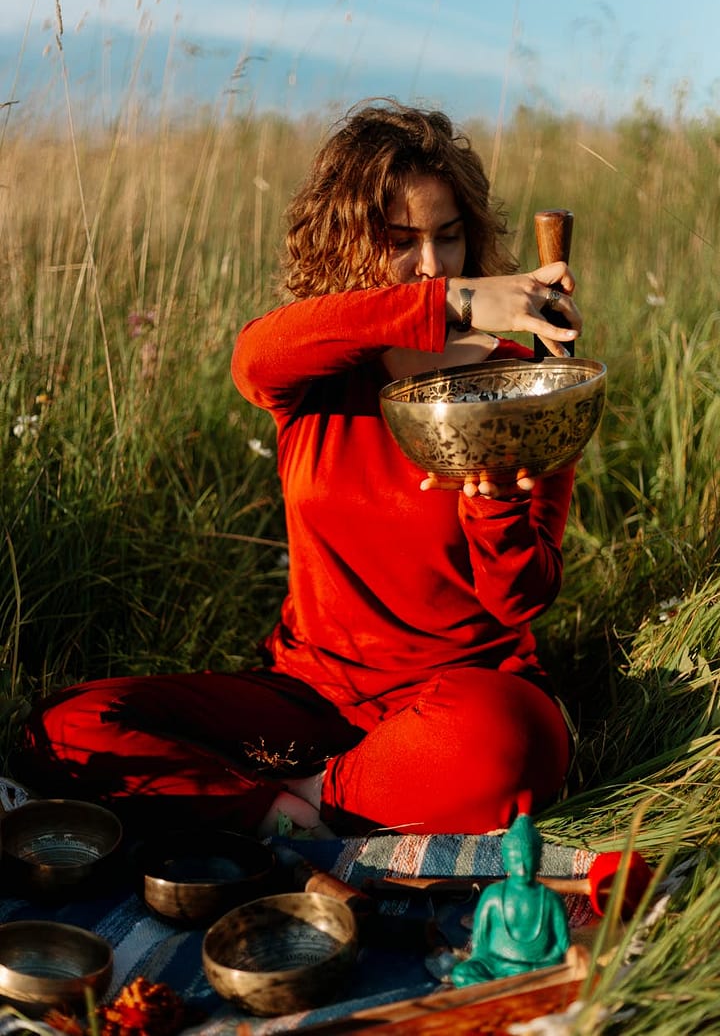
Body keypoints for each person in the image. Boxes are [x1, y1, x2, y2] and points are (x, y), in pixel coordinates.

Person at [17, 100, 582, 839]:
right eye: (400, 241)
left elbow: (521, 600)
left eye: (448, 238)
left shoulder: (521, 385)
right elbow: (254, 355)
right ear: (346, 241)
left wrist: (496, 504)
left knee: (513, 739)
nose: (432, 265)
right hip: (309, 697)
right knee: (64, 728)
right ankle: (296, 811)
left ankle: (294, 803)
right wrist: (451, 302)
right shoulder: (317, 369)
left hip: (457, 702)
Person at [451, 813, 571, 985]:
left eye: (527, 859)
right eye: (515, 860)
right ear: (506, 861)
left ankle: (501, 990)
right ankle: (508, 988)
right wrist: (484, 962)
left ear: (539, 860)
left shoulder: (551, 900)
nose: (522, 868)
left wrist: (555, 962)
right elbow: (480, 945)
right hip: (496, 966)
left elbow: (563, 947)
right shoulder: (493, 895)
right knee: (462, 974)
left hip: (538, 969)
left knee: (563, 972)